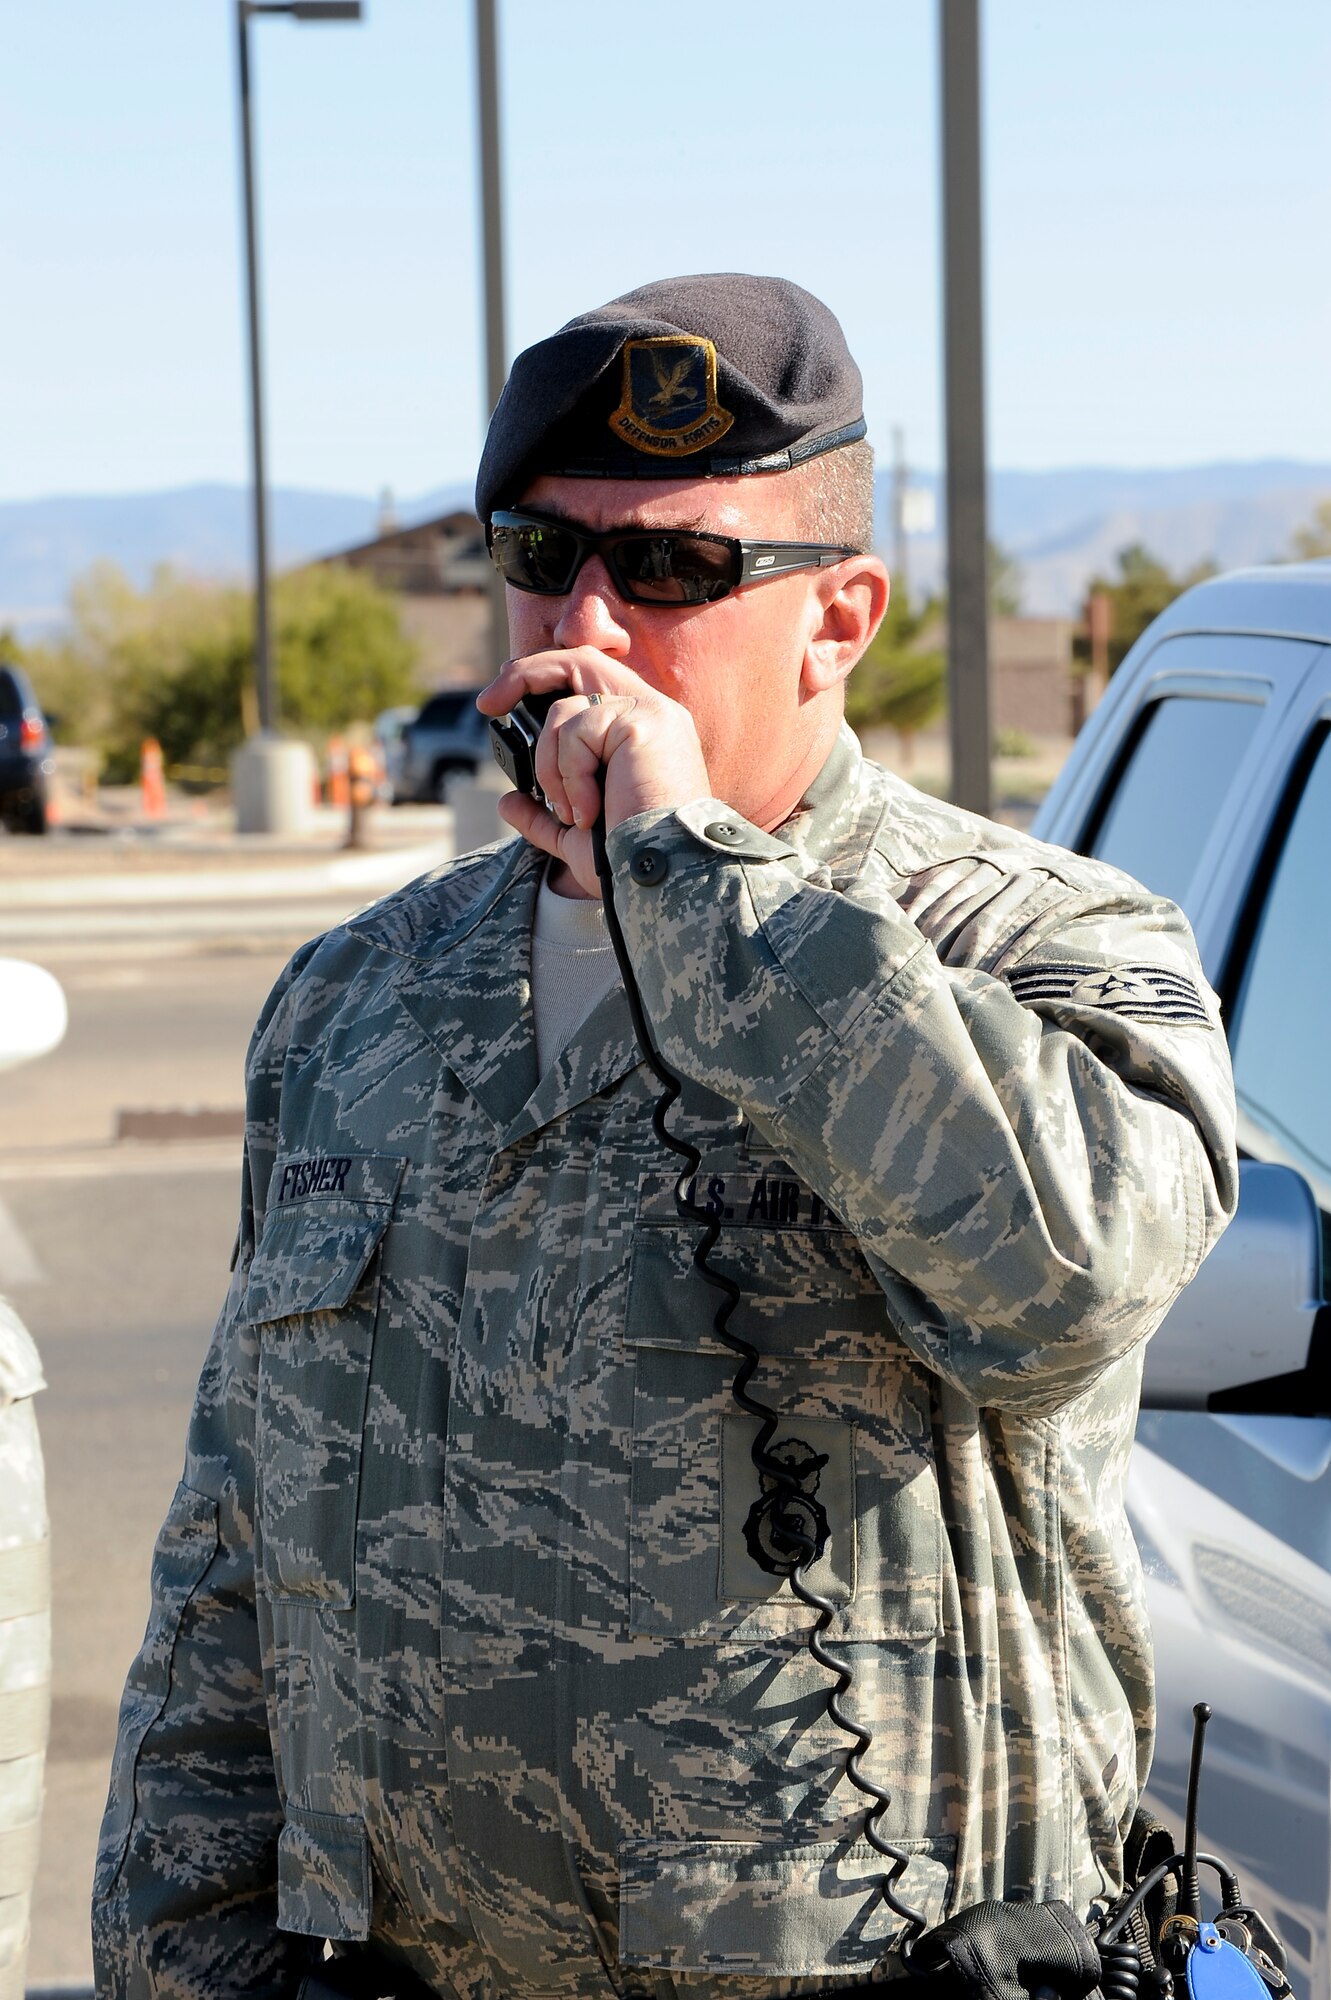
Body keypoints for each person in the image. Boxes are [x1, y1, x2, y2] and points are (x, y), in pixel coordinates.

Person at [94, 274, 1237, 1999]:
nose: (593, 624)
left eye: (680, 570)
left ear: (836, 622)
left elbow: (1059, 1276)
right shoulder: (356, 1003)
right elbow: (234, 1551)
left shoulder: (1049, 948)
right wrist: (182, 1958)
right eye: (543, 556)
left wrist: (701, 889)